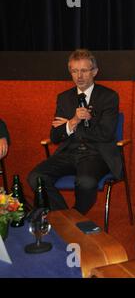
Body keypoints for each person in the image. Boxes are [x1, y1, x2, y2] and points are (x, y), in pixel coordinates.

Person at [27, 49, 121, 214]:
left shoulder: (109, 97)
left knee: (85, 181)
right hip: (68, 153)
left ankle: (73, 218)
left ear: (94, 72)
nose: (79, 76)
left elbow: (106, 134)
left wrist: (71, 127)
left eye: (84, 71)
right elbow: (55, 136)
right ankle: (67, 217)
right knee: (36, 177)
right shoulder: (64, 98)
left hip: (96, 154)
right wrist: (74, 121)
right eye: (75, 71)